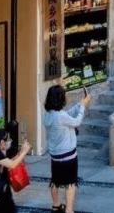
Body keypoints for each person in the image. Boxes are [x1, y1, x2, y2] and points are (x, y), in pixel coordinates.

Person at [43, 84, 91, 213]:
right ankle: (69, 210)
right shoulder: (60, 116)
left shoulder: (48, 115)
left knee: (55, 181)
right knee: (70, 183)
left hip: (55, 156)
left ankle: (56, 206)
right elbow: (76, 122)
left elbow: (66, 115)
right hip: (68, 155)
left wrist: (80, 104)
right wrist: (82, 107)